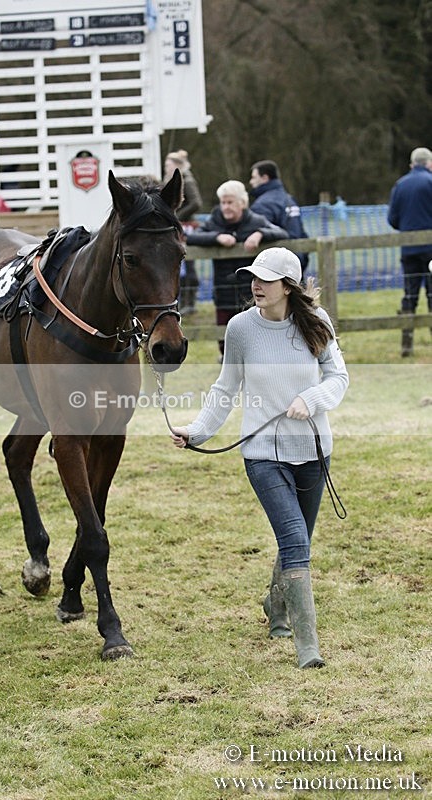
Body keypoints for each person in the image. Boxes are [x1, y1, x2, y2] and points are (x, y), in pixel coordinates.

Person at [171, 248, 349, 669]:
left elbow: (338, 378)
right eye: (253, 277)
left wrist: (311, 398)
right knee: (293, 540)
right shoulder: (240, 328)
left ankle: (276, 603)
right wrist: (197, 431)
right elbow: (225, 388)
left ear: (287, 285)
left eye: (266, 279)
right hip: (262, 454)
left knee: (299, 540)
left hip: (313, 450)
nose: (256, 284)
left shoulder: (316, 323)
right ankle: (308, 647)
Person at [186, 180, 288, 358]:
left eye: (230, 202)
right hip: (223, 293)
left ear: (242, 203)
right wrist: (217, 237)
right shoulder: (214, 221)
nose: (225, 207)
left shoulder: (255, 221)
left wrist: (260, 234)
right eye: (223, 202)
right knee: (225, 339)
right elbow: (193, 237)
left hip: (251, 293)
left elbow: (281, 233)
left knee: (254, 337)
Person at [387, 146, 432, 356]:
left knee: (410, 294)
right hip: (431, 250)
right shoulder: (430, 182)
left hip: (409, 250)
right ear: (429, 163)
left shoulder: (400, 185)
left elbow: (392, 219)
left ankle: (407, 344)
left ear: (412, 164)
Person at [249, 160, 309, 277]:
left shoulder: (263, 204)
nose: (251, 182)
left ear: (264, 178)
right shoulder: (289, 200)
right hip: (296, 263)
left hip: (276, 269)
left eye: (253, 177)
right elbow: (301, 233)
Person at [164, 150, 203, 314]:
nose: (165, 168)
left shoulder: (187, 180)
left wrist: (175, 217)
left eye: (168, 165)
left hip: (185, 225)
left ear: (177, 166)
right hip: (179, 225)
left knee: (188, 264)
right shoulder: (171, 181)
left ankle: (190, 302)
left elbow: (196, 203)